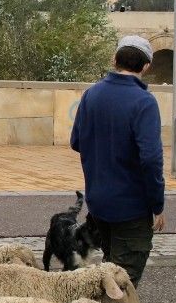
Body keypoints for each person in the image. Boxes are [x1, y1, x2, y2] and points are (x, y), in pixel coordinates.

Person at [69, 35, 165, 287]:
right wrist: (157, 204)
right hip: (130, 205)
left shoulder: (91, 95)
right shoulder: (144, 102)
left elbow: (76, 141)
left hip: (98, 200)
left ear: (115, 60)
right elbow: (151, 159)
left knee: (110, 267)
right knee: (123, 280)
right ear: (146, 66)